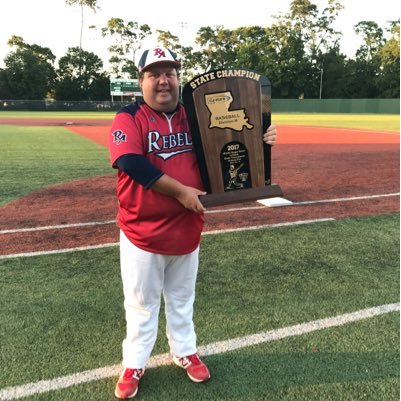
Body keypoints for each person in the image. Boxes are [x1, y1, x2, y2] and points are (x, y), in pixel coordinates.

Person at [108, 45, 277, 399]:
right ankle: (135, 362)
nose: (163, 80)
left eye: (169, 72)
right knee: (141, 303)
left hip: (187, 228)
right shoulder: (129, 117)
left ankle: (183, 351)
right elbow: (130, 163)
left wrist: (260, 139)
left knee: (182, 299)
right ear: (142, 81)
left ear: (178, 78)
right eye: (154, 73)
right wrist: (181, 191)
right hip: (142, 232)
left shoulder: (194, 115)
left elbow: (230, 140)